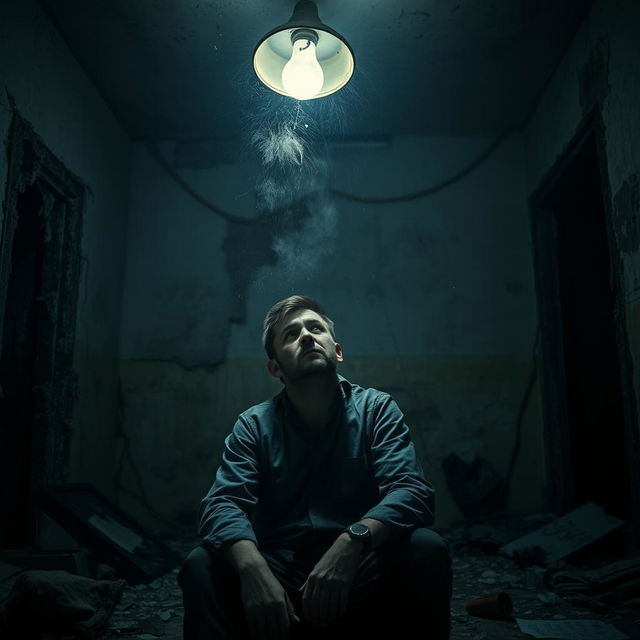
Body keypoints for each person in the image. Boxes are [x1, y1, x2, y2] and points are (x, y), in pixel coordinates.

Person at [178, 295, 452, 640]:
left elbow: (411, 492)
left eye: (315, 328)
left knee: (427, 548)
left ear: (337, 351)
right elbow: (222, 503)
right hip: (280, 584)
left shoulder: (376, 410)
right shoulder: (253, 425)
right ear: (275, 368)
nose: (307, 336)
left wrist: (351, 543)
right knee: (200, 565)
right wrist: (252, 567)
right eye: (291, 335)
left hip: (360, 574)